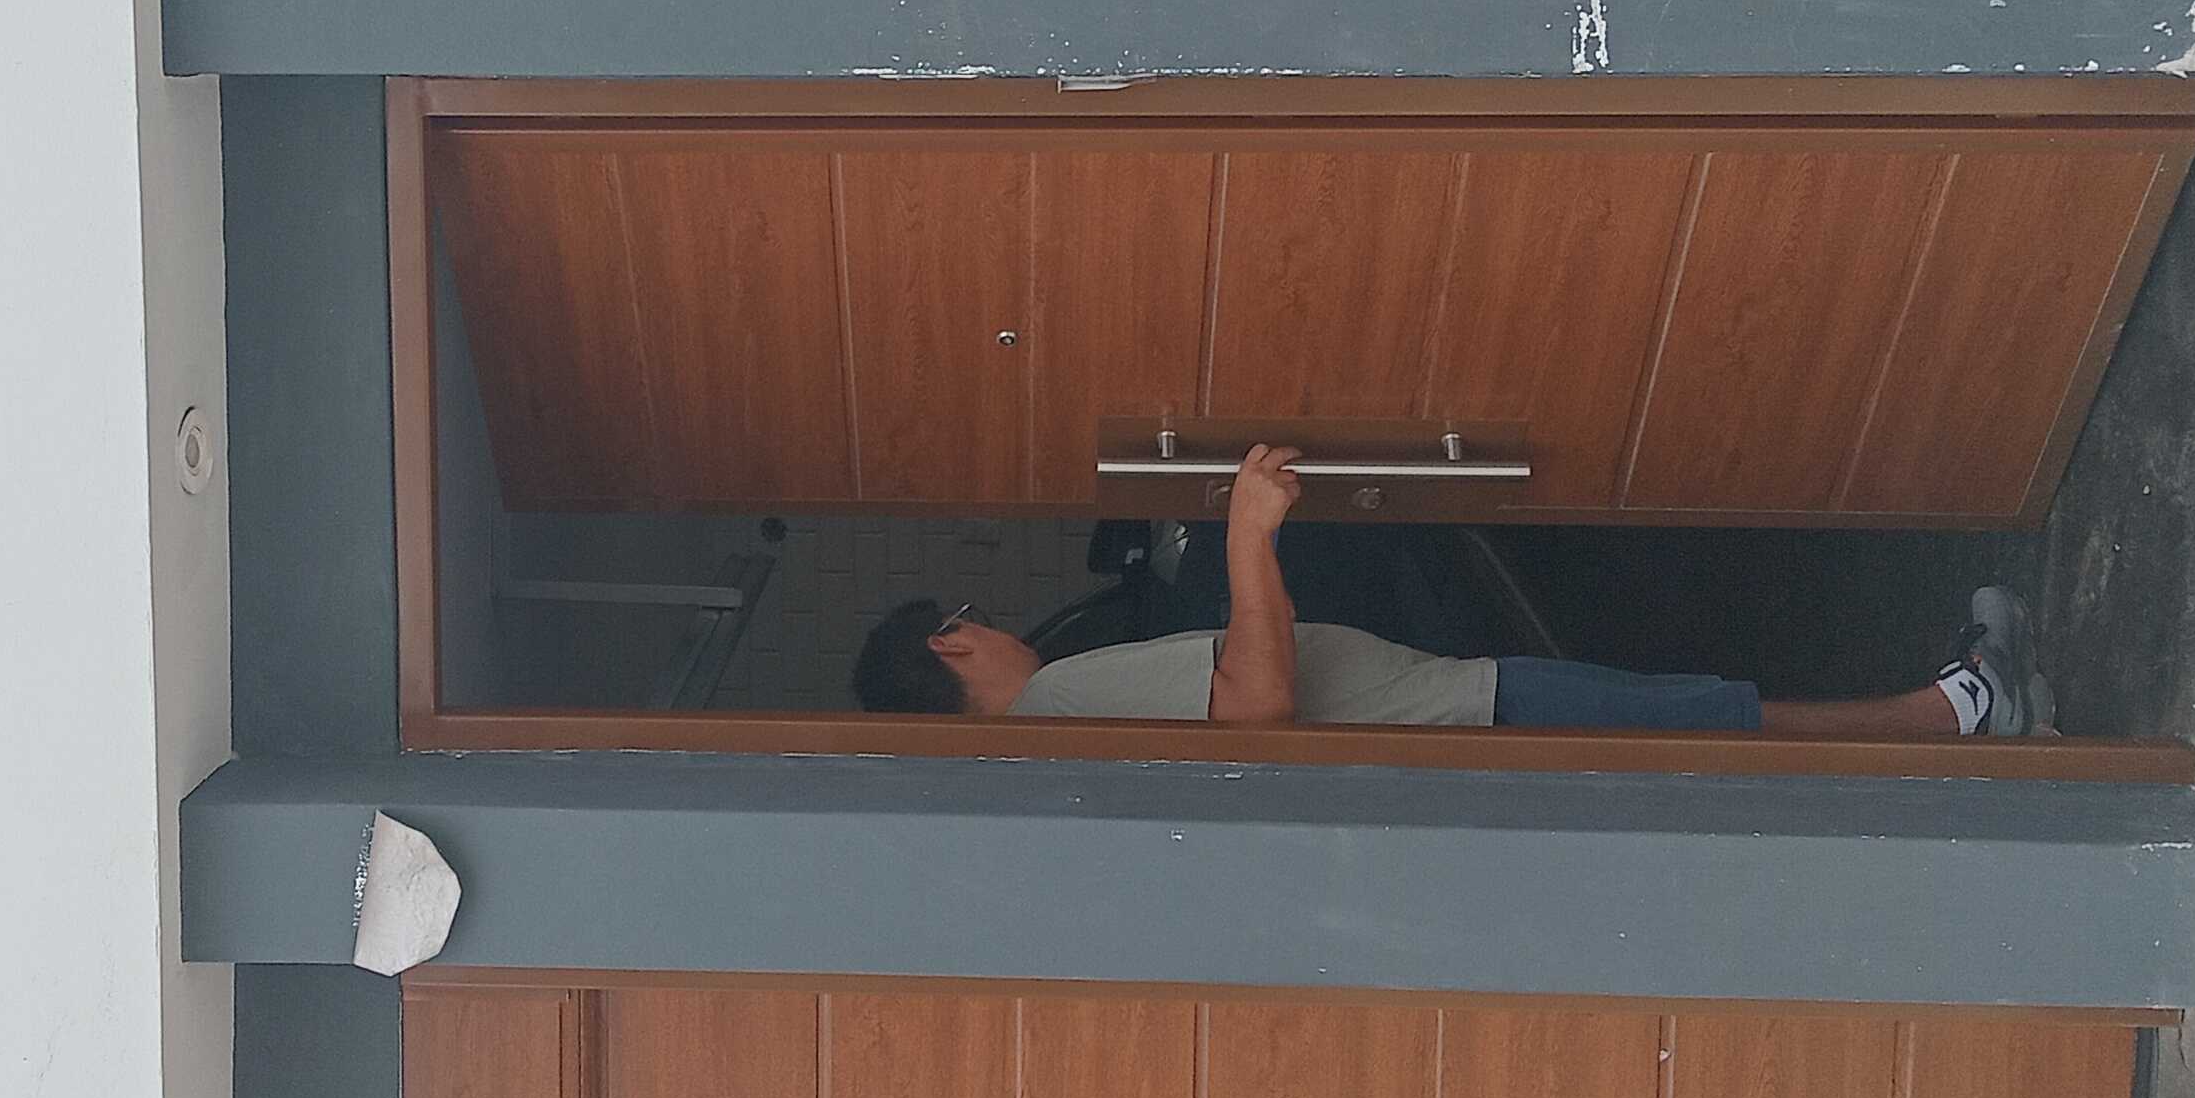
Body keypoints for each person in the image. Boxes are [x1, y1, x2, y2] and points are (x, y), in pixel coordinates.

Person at [850, 446, 2048, 737]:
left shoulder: (1059, 730)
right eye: (971, 619)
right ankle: (1962, 711)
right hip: (1460, 719)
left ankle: (1957, 715)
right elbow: (1253, 702)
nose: (990, 626)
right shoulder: (1056, 704)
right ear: (951, 646)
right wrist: (1249, 535)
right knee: (1706, 719)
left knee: (1700, 720)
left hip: (1449, 715)